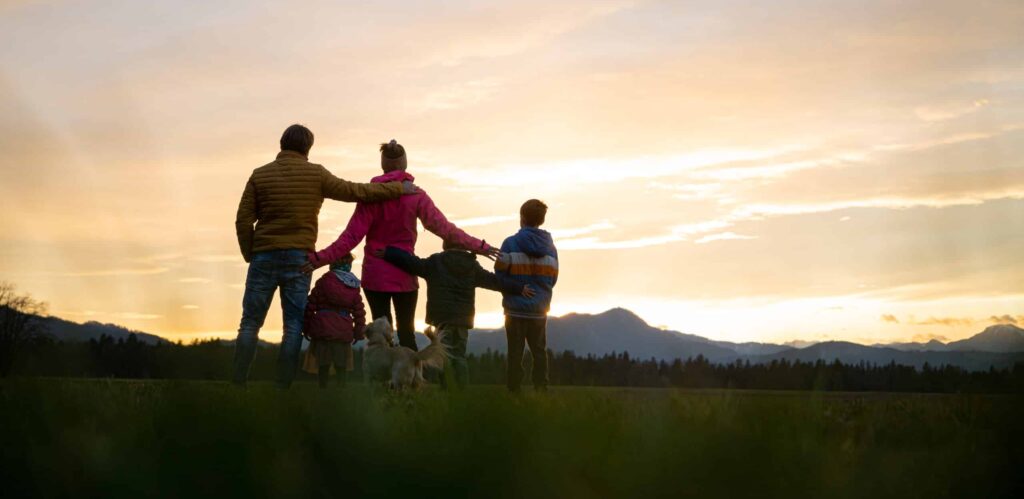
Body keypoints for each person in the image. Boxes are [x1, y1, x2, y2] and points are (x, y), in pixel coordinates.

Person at [233, 124, 418, 388]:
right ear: (308, 148)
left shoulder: (259, 175)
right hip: (300, 259)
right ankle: (283, 385)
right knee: (293, 326)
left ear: (282, 144)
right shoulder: (316, 174)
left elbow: (243, 221)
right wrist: (398, 189)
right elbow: (355, 191)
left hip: (263, 255)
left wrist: (249, 252)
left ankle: (239, 381)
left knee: (250, 322)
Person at [304, 140, 500, 352]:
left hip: (375, 275)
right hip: (405, 273)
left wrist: (318, 260)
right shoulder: (416, 195)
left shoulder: (371, 195)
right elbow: (445, 229)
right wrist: (480, 246)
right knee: (406, 332)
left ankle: (385, 381)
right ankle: (412, 381)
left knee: (382, 332)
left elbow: (349, 238)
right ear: (404, 164)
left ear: (383, 165)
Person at [375, 241, 534, 389]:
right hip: (462, 320)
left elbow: (412, 263)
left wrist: (390, 253)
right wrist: (519, 288)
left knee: (443, 356)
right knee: (459, 356)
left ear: (445, 245)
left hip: (442, 318)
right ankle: (461, 391)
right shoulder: (471, 265)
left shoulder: (436, 262)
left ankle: (447, 389)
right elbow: (495, 281)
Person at [494, 199, 558, 393]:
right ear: (542, 220)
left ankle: (514, 391)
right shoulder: (551, 249)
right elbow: (553, 278)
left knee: (515, 353)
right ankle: (541, 388)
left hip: (515, 310)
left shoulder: (510, 243)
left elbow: (499, 275)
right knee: (539, 352)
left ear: (522, 218)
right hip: (539, 311)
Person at [302, 253, 366, 389]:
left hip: (322, 328)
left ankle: (322, 388)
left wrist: (306, 326)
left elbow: (310, 305)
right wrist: (359, 332)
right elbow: (359, 313)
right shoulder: (353, 285)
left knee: (323, 363)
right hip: (343, 330)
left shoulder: (323, 281)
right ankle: (341, 389)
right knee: (341, 363)